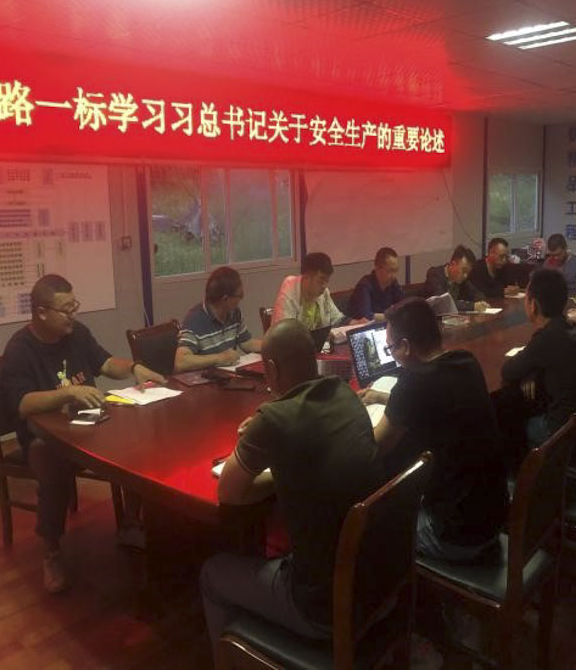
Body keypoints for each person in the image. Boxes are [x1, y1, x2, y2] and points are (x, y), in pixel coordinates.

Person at [199, 319, 383, 656]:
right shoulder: (344, 393)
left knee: (213, 573)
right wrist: (290, 463)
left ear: (270, 368)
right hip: (378, 583)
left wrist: (275, 457)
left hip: (321, 606)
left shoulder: (273, 419)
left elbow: (229, 492)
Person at [1, 274, 166, 593]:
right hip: (45, 435)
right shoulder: (20, 349)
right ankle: (51, 551)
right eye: (66, 309)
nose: (73, 315)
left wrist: (134, 368)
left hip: (90, 424)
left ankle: (131, 521)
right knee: (49, 460)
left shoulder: (76, 334)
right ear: (41, 312)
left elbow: (105, 363)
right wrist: (68, 393)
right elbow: (22, 404)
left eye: (74, 306)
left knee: (137, 437)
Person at [360, 298, 508, 562]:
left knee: (368, 527)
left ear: (406, 346)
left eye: (390, 347)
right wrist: (382, 397)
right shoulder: (465, 361)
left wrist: (351, 417)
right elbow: (431, 400)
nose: (391, 354)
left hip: (456, 535)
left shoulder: (413, 384)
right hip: (494, 516)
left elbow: (376, 447)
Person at [501, 268, 576, 449]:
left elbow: (508, 371)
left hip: (565, 433)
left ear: (533, 305)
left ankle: (523, 465)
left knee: (514, 422)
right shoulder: (572, 328)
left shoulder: (547, 337)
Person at [175, 266, 262, 372]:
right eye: (240, 295)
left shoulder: (234, 313)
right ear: (225, 299)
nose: (241, 299)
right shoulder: (194, 321)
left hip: (228, 376)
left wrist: (273, 345)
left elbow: (247, 343)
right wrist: (219, 358)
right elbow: (180, 362)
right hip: (206, 378)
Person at [272, 252, 357, 329]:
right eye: (321, 281)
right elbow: (285, 334)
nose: (324, 286)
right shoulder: (289, 294)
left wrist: (356, 323)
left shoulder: (323, 293)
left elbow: (337, 319)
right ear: (306, 277)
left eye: (327, 281)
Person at [423, 244, 488, 311]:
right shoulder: (435, 275)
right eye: (464, 271)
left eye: (468, 272)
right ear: (453, 264)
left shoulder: (461, 279)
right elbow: (444, 304)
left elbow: (477, 294)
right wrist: (472, 306)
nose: (465, 276)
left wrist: (482, 302)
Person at [348, 246, 405, 321]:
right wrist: (391, 316)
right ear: (377, 268)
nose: (393, 275)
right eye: (389, 271)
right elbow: (366, 316)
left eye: (395, 270)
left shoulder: (393, 283)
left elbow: (403, 305)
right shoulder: (364, 286)